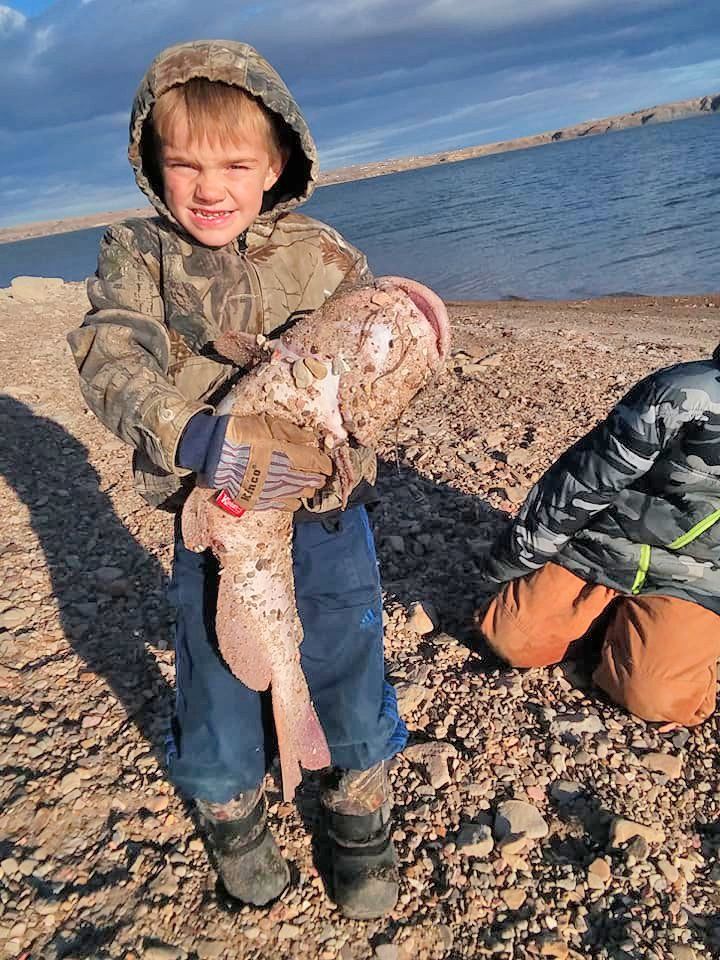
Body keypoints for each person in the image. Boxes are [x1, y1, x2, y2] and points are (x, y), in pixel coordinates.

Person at [68, 40, 406, 919]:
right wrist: (193, 434)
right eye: (185, 164)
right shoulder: (138, 254)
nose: (209, 188)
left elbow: (374, 372)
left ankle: (357, 803)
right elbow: (109, 354)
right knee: (216, 668)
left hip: (322, 513)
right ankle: (230, 809)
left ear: (278, 165)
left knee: (346, 653)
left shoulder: (324, 255)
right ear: (153, 167)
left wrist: (349, 432)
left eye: (235, 165)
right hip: (213, 512)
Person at [474, 352, 720, 728]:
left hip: (698, 576)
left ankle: (658, 644)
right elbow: (582, 481)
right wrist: (510, 561)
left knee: (655, 696)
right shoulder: (683, 392)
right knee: (512, 635)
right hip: (606, 545)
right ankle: (617, 632)